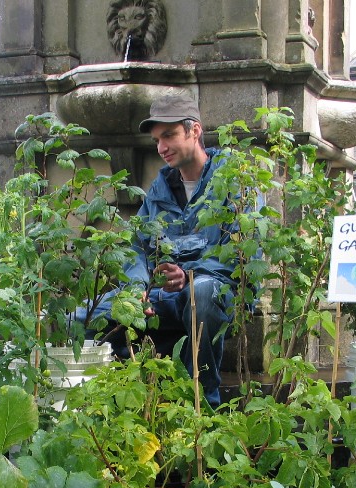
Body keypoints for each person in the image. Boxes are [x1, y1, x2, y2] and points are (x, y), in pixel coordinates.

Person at [78, 93, 246, 406]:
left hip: (208, 295)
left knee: (203, 294)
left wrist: (190, 274)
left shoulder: (231, 182)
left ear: (194, 131)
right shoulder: (159, 190)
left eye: (168, 135)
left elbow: (242, 256)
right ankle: (107, 404)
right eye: (157, 139)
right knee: (83, 317)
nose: (161, 147)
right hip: (160, 296)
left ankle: (203, 404)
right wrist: (136, 290)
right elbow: (137, 246)